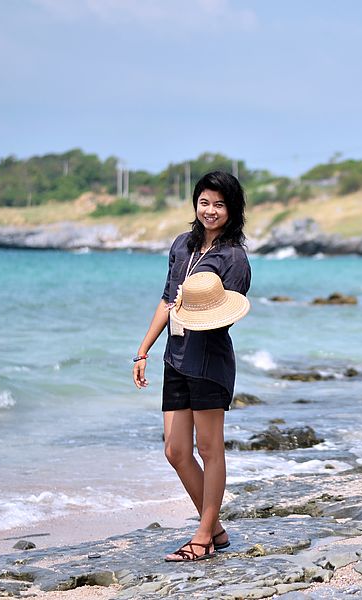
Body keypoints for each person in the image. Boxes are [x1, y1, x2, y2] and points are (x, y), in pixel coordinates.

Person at [132, 170, 251, 562]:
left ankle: (202, 537)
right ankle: (214, 526)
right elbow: (168, 300)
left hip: (209, 362)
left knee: (209, 448)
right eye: (204, 202)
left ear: (232, 210)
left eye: (219, 204)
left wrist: (198, 304)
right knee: (176, 450)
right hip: (175, 357)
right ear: (195, 203)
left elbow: (224, 315)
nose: (210, 210)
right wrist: (144, 349)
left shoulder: (234, 259)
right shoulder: (182, 246)